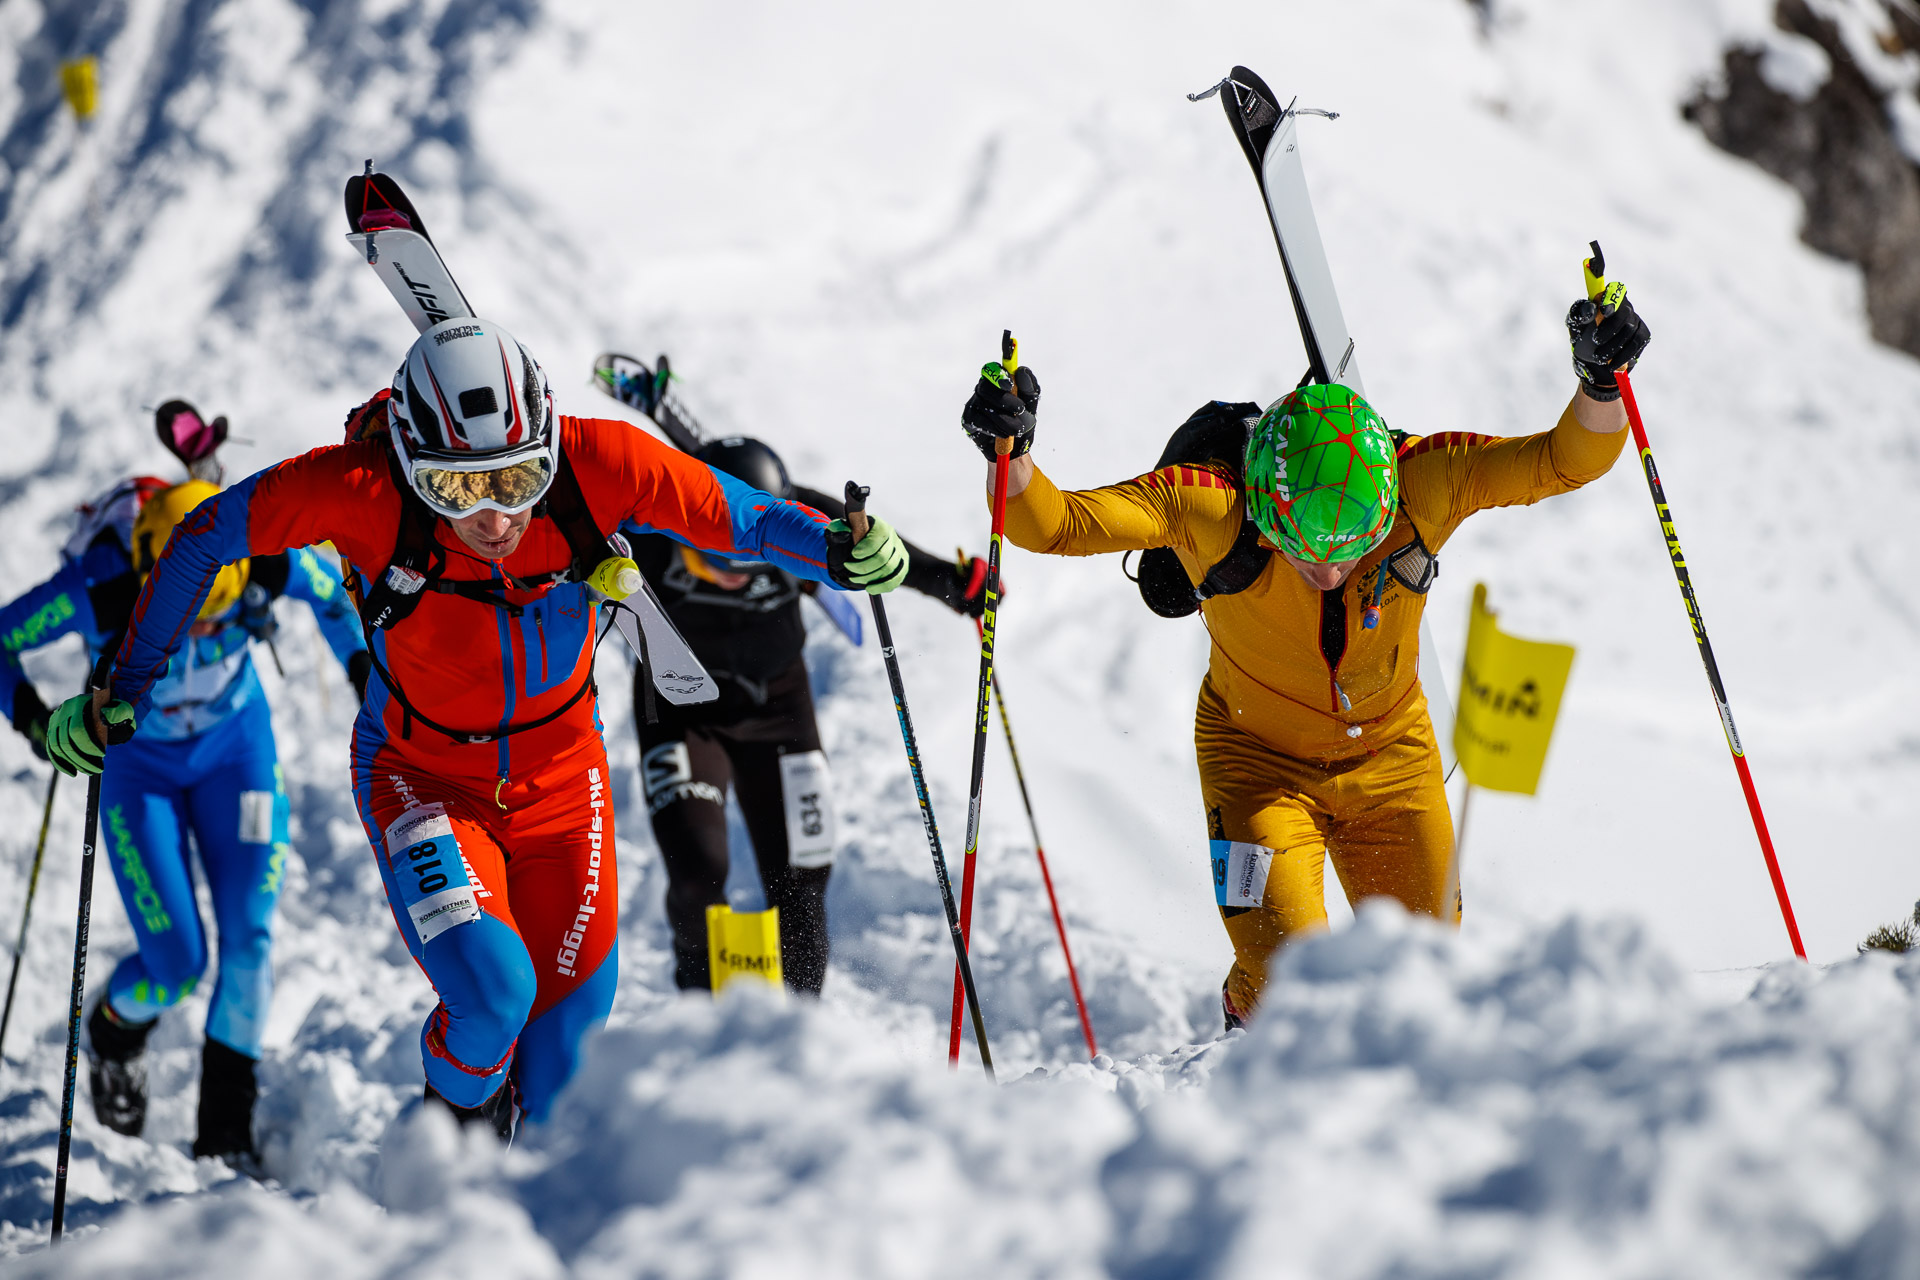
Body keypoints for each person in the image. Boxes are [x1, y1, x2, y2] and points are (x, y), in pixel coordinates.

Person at [42, 318, 912, 1138]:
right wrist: (124, 682)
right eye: (457, 489)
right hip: (422, 780)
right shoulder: (356, 489)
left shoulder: (597, 460)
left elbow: (744, 516)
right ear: (412, 465)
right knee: (494, 998)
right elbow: (200, 536)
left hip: (565, 788)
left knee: (564, 1065)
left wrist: (838, 548)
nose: (494, 516)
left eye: (518, 481)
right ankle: (445, 1172)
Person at [958, 285, 1652, 1028]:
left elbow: (1560, 462)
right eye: (1303, 551)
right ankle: (1250, 1050)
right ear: (1263, 504)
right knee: (1292, 984)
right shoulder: (1210, 507)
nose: (1330, 572)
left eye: (1353, 552)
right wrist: (1012, 454)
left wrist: (1600, 382)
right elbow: (1057, 525)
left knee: (1424, 979)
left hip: (1394, 763)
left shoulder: (1425, 479)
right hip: (1257, 765)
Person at [2, 470, 369, 1163]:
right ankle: (114, 1036)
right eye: (188, 616)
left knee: (250, 939)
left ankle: (226, 1132)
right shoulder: (100, 586)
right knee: (175, 963)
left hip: (237, 753)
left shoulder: (262, 556)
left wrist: (360, 672)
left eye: (217, 618)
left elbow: (333, 595)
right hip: (141, 771)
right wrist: (35, 719)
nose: (201, 629)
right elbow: (1, 639)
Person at [631, 434, 992, 995]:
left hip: (778, 709)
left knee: (801, 881)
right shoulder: (653, 526)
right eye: (713, 555)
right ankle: (699, 1029)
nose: (733, 570)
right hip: (680, 709)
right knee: (697, 871)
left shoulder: (792, 510)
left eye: (751, 558)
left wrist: (956, 583)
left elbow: (880, 551)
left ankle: (799, 1036)